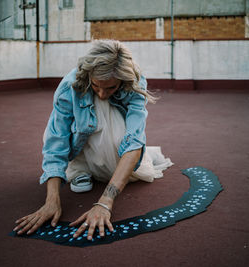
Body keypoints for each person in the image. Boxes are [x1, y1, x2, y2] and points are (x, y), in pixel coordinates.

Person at [13, 39, 173, 240]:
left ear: (123, 82)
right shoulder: (69, 86)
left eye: (111, 88)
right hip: (79, 144)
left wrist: (105, 202)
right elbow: (56, 141)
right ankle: (80, 168)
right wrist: (51, 200)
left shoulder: (135, 83)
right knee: (52, 129)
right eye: (96, 86)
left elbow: (134, 140)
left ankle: (96, 170)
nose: (103, 93)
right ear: (88, 75)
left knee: (104, 109)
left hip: (112, 141)